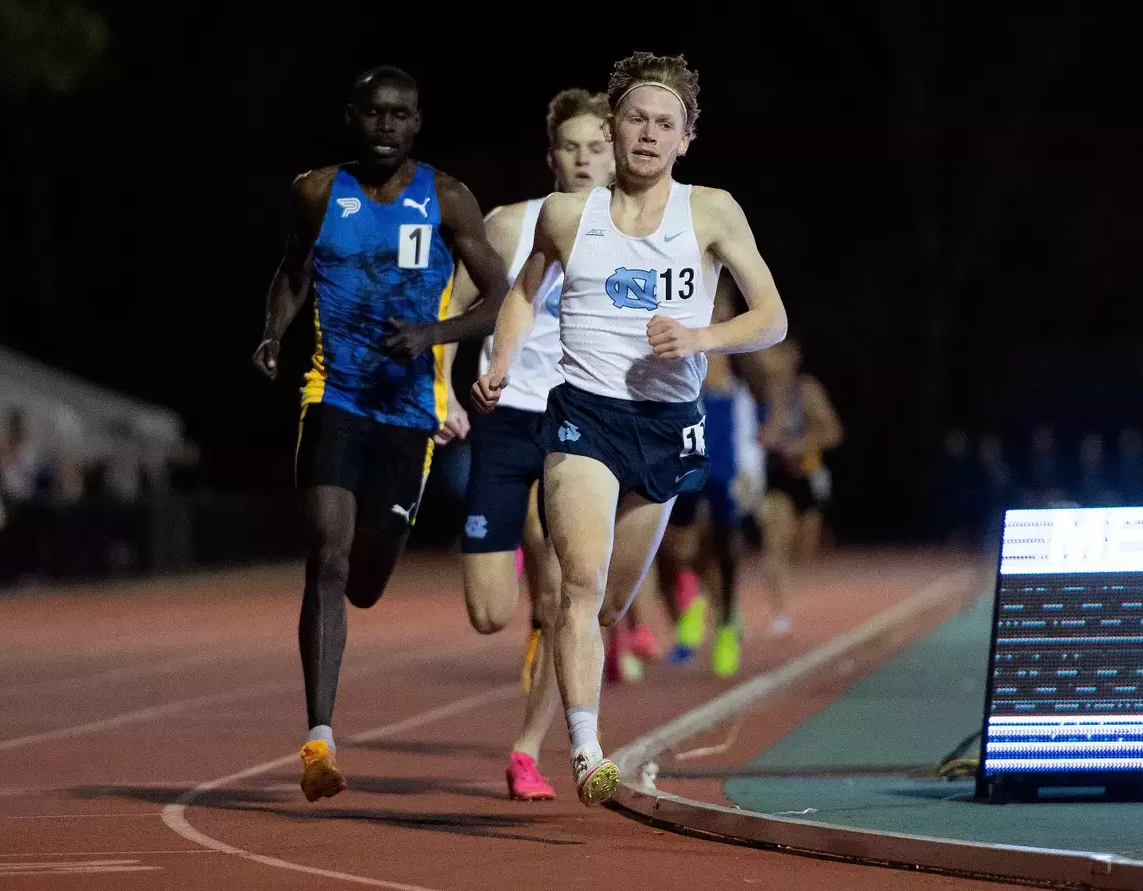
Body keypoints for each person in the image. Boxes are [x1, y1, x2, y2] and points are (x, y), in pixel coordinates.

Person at [472, 51, 788, 806]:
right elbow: (522, 293)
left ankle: (570, 706)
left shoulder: (711, 211)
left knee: (609, 604)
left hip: (668, 424)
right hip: (581, 414)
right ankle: (586, 749)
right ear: (613, 128)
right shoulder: (566, 215)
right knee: (576, 584)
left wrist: (700, 339)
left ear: (686, 139)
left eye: (664, 124)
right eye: (636, 119)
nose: (647, 134)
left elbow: (771, 319)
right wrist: (504, 363)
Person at [252, 65, 510, 803]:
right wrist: (273, 333)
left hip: (409, 413)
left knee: (365, 579)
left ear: (418, 123)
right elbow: (293, 271)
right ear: (352, 118)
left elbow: (499, 296)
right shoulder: (315, 192)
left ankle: (367, 576)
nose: (387, 126)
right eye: (374, 113)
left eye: (401, 114)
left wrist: (435, 332)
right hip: (333, 395)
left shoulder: (448, 197)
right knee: (327, 555)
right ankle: (319, 738)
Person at [446, 87, 615, 801]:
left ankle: (528, 749)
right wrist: (445, 390)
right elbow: (455, 303)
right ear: (552, 157)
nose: (584, 158)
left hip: (573, 425)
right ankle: (525, 574)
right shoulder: (512, 224)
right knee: (489, 612)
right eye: (571, 147)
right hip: (503, 418)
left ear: (613, 156)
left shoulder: (633, 232)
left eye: (596, 147)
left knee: (565, 597)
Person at [657, 273, 746, 676]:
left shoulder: (733, 341)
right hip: (686, 425)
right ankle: (693, 598)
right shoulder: (682, 317)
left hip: (722, 429)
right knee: (677, 544)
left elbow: (767, 385)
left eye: (720, 306)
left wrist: (753, 458)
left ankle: (726, 622)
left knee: (725, 540)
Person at [752, 339, 842, 636]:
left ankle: (787, 595)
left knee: (802, 550)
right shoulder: (756, 392)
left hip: (806, 475)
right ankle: (780, 614)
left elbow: (833, 432)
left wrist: (799, 446)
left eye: (775, 352)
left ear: (792, 356)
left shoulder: (805, 390)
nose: (767, 358)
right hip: (774, 477)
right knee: (774, 542)